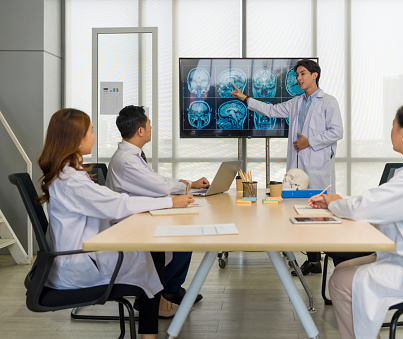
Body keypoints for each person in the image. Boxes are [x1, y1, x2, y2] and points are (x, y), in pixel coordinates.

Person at [308, 101, 403, 339]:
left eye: (393, 125)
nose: (390, 131)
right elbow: (374, 203)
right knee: (342, 269)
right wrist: (337, 201)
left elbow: (366, 206)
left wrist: (333, 202)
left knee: (340, 281)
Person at [37, 108, 194, 339]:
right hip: (77, 267)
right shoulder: (71, 181)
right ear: (75, 139)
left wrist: (167, 201)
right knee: (152, 255)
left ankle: (152, 316)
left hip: (81, 255)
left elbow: (113, 201)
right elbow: (117, 204)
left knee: (152, 255)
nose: (94, 136)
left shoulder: (69, 175)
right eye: (90, 132)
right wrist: (169, 202)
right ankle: (150, 327)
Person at [231, 59, 343, 275]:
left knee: (320, 210)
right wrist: (245, 98)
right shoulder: (295, 102)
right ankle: (313, 260)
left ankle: (336, 260)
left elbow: (337, 132)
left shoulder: (329, 102)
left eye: (302, 74)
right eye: (297, 76)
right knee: (301, 210)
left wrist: (309, 141)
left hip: (317, 164)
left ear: (314, 75)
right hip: (297, 166)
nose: (299, 79)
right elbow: (271, 110)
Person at [106, 105, 209, 309]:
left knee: (182, 231)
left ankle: (169, 289)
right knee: (182, 237)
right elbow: (160, 186)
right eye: (149, 124)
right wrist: (187, 185)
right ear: (140, 131)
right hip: (130, 223)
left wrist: (190, 184)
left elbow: (155, 181)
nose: (152, 128)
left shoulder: (132, 155)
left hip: (139, 215)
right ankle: (158, 293)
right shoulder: (127, 160)